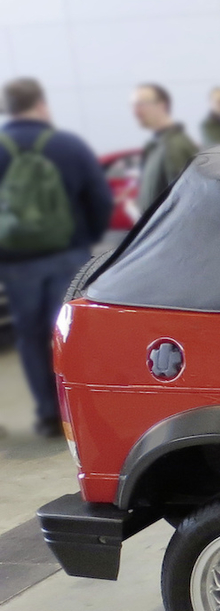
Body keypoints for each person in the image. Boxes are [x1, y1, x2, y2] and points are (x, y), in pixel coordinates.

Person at [0, 78, 114, 436]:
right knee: (72, 332)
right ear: (41, 104)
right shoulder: (68, 145)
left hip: (17, 262)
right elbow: (100, 199)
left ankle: (49, 416)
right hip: (69, 254)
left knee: (30, 336)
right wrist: (85, 239)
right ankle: (81, 413)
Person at [132, 82, 200, 212]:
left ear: (161, 106)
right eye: (134, 105)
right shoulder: (156, 146)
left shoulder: (174, 146)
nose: (136, 111)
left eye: (142, 104)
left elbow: (185, 204)